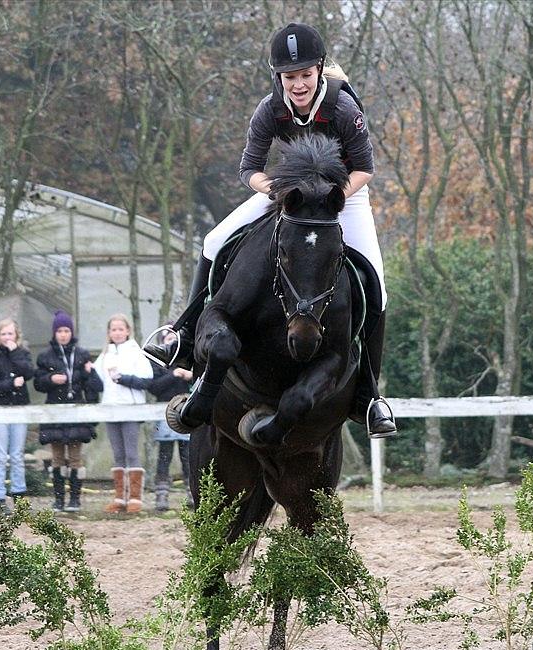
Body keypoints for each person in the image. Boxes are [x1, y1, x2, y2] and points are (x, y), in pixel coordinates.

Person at [143, 22, 396, 438]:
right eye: (290, 77)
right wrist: (279, 191)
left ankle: (369, 395)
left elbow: (365, 168)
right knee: (213, 240)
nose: (298, 84)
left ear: (319, 71)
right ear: (279, 78)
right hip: (287, 192)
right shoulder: (269, 109)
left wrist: (332, 200)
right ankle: (184, 334)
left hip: (343, 195)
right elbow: (249, 169)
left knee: (376, 283)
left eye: (305, 75)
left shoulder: (345, 110)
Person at [34, 310, 102, 513]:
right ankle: (58, 500)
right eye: (60, 331)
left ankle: (75, 499)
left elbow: (95, 386)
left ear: (71, 332)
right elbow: (38, 383)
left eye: (66, 330)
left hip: (77, 412)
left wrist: (90, 374)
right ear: (54, 333)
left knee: (75, 458)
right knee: (56, 458)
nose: (63, 334)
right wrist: (50, 379)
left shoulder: (82, 354)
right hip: (55, 411)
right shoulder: (45, 356)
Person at [94, 314, 153, 514]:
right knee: (117, 454)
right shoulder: (104, 356)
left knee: (131, 453)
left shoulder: (136, 353)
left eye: (120, 329)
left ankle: (135, 498)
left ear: (127, 331)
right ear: (109, 333)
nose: (117, 333)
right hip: (111, 409)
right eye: (113, 329)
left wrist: (123, 379)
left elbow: (146, 380)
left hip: (131, 408)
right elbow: (97, 382)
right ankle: (120, 498)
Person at [0, 318, 35, 515]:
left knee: (17, 455)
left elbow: (28, 373)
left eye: (10, 334)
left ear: (16, 335)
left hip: (20, 408)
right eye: (3, 334)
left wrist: (14, 353)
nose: (7, 337)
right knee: (0, 455)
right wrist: (10, 384)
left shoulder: (22, 353)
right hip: (0, 409)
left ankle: (19, 495)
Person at [147, 329, 194, 511]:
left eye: (175, 339)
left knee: (188, 457)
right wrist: (173, 375)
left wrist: (190, 376)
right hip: (163, 417)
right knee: (164, 457)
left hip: (187, 415)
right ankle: (161, 495)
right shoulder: (158, 364)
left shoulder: (190, 361)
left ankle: (192, 492)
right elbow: (154, 388)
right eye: (168, 340)